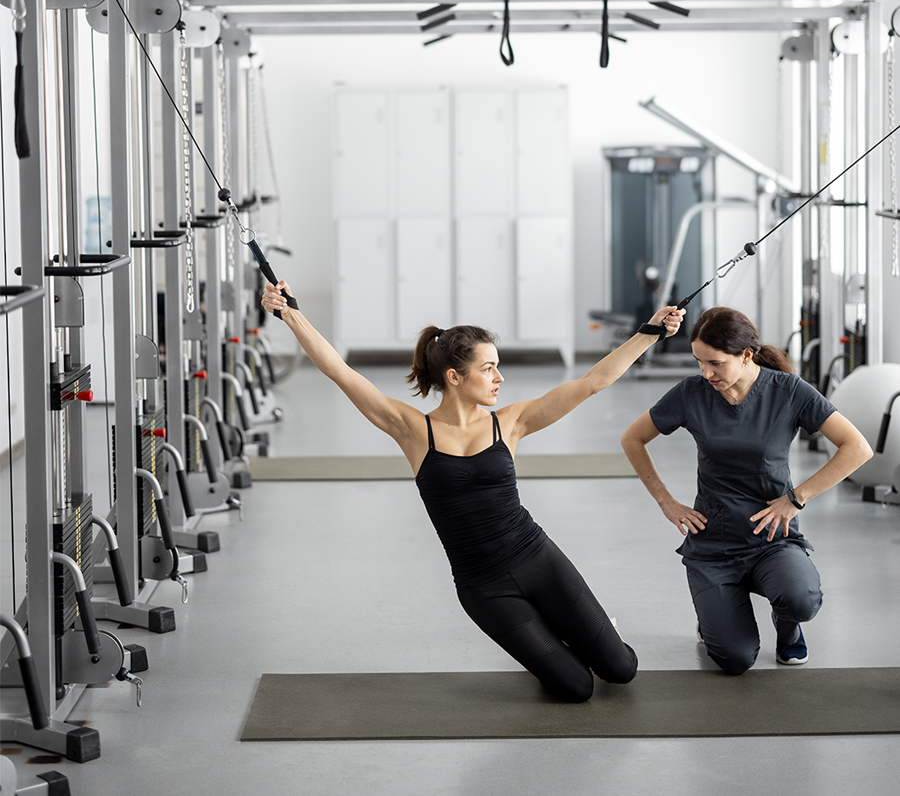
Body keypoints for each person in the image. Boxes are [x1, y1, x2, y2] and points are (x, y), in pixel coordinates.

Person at [261, 279, 684, 702]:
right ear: (454, 377)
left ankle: (591, 630)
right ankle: (554, 641)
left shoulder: (511, 422)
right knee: (575, 688)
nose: (499, 378)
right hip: (484, 587)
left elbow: (593, 381)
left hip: (538, 559)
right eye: (487, 369)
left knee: (622, 670)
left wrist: (650, 330)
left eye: (497, 366)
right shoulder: (413, 431)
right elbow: (340, 370)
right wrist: (289, 313)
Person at [620, 306, 873, 675]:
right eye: (699, 362)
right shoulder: (692, 393)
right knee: (735, 659)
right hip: (714, 542)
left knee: (800, 599)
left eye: (716, 363)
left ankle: (787, 627)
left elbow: (857, 448)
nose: (706, 373)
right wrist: (666, 501)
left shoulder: (788, 391)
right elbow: (633, 438)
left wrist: (796, 498)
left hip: (772, 539)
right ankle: (714, 618)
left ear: (746, 356)